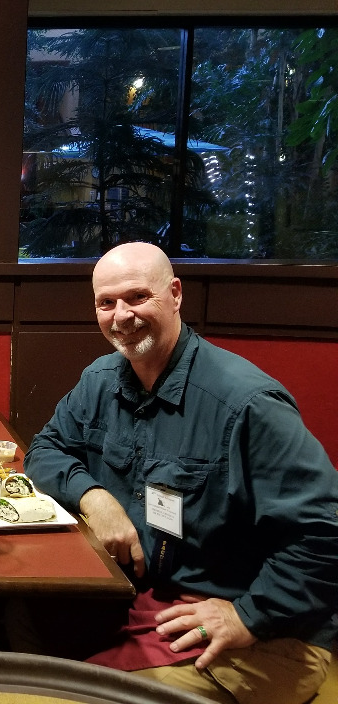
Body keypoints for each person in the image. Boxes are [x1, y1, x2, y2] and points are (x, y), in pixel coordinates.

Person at [23, 241, 338, 704]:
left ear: (175, 294)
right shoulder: (101, 379)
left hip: (262, 629)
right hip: (147, 600)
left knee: (77, 697)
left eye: (137, 297)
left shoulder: (246, 403)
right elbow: (46, 449)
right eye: (106, 303)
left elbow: (324, 532)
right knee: (12, 628)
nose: (121, 315)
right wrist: (95, 497)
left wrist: (249, 615)